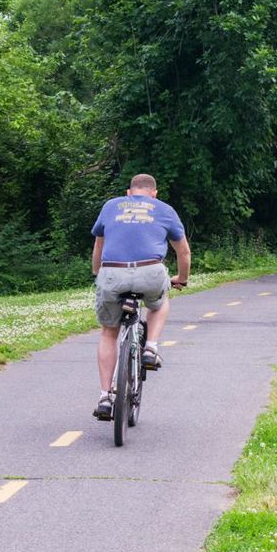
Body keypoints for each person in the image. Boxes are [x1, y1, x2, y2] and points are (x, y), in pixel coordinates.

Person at [90, 173, 191, 420]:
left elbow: (99, 246)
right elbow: (184, 252)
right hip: (150, 271)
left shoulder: (111, 206)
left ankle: (105, 397)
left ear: (129, 192)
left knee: (108, 332)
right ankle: (151, 348)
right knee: (159, 302)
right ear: (154, 194)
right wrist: (181, 278)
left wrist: (97, 273)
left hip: (112, 273)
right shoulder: (165, 209)